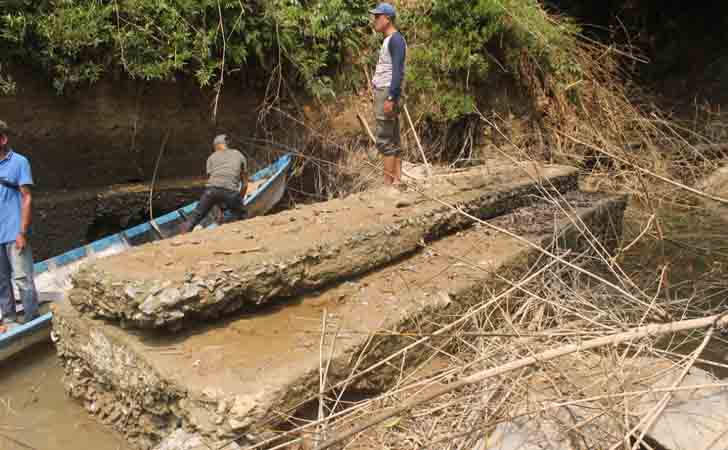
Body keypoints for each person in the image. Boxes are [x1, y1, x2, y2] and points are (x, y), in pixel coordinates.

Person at [0, 120, 39, 333]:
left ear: (3, 139)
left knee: (23, 278)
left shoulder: (20, 162)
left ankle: (32, 319)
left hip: (15, 232)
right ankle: (9, 319)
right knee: (1, 281)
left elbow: (27, 198)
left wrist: (22, 232)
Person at [179, 134, 248, 233]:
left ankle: (184, 233)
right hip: (231, 192)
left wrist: (218, 206)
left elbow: (214, 185)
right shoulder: (238, 154)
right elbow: (245, 185)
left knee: (193, 220)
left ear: (216, 146)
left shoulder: (211, 158)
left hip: (210, 193)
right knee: (243, 216)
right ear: (226, 144)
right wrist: (238, 199)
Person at [370, 2, 407, 187]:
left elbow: (398, 71)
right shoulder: (390, 40)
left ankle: (388, 184)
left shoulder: (396, 40)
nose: (374, 20)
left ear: (388, 19)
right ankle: (397, 182)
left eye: (377, 17)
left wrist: (391, 97)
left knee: (385, 139)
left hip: (387, 92)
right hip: (386, 91)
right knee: (393, 137)